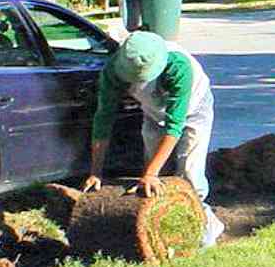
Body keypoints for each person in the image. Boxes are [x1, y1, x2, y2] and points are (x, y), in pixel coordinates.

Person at [83, 30, 225, 247]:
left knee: (189, 174)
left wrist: (150, 173)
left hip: (195, 110)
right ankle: (166, 232)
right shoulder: (114, 71)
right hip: (153, 113)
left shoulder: (178, 65)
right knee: (155, 176)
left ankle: (206, 228)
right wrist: (95, 172)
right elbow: (103, 119)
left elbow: (175, 126)